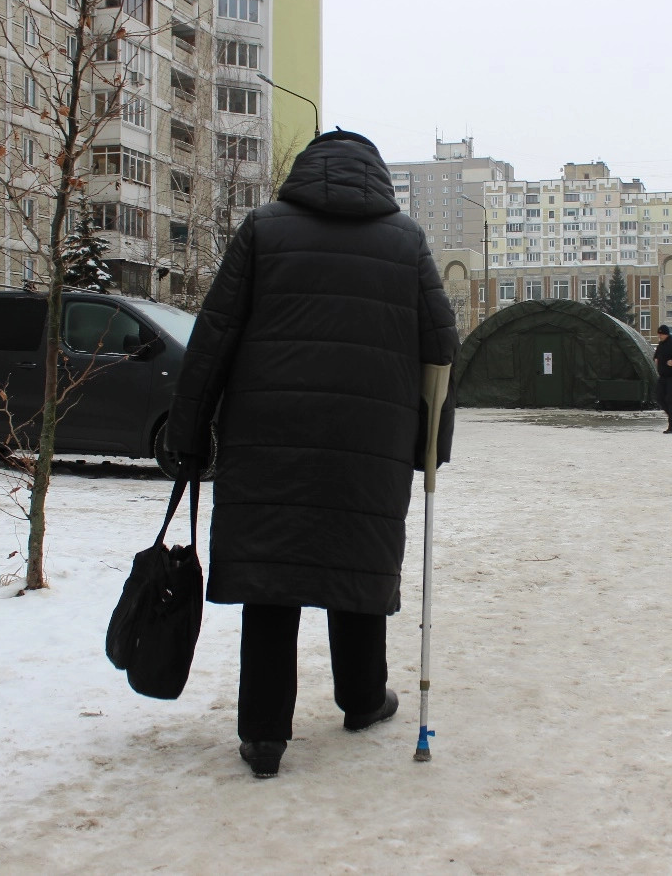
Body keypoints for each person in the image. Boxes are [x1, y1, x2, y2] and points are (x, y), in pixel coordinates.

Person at [164, 130, 459, 779]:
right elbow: (441, 349)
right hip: (368, 448)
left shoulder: (263, 231)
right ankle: (361, 698)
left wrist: (186, 433)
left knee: (275, 577)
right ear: (377, 179)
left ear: (304, 173)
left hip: (269, 439)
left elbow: (213, 336)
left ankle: (264, 736)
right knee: (352, 566)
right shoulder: (405, 243)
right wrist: (430, 447)